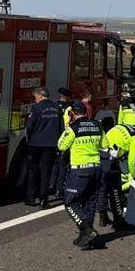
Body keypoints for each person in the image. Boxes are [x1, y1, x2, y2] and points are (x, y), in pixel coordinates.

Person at [57, 102, 104, 249]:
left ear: (72, 114)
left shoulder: (73, 128)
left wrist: (66, 126)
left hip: (80, 171)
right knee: (89, 203)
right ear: (86, 112)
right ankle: (86, 237)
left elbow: (61, 145)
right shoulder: (98, 125)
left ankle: (87, 229)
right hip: (96, 169)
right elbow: (105, 144)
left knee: (70, 202)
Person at [97, 121, 135, 229]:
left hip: (100, 154)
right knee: (116, 191)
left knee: (103, 189)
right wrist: (134, 175)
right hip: (111, 159)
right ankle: (118, 221)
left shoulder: (123, 125)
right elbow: (132, 159)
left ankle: (103, 217)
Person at [24, 87, 62, 207]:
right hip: (51, 145)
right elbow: (61, 127)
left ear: (40, 96)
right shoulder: (57, 108)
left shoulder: (36, 108)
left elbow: (29, 126)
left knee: (33, 171)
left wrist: (28, 139)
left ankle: (31, 197)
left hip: (35, 144)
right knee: (46, 172)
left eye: (35, 97)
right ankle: (43, 200)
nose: (35, 100)